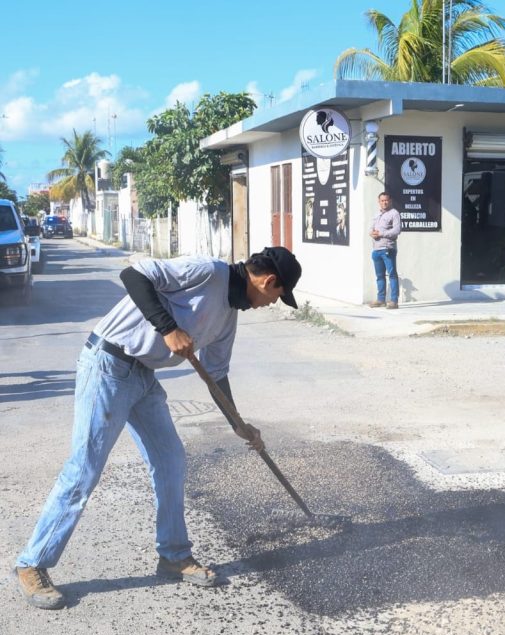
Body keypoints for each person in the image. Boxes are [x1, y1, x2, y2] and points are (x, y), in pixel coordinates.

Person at [12, 247, 302, 610]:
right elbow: (134, 276)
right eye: (277, 296)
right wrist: (169, 328)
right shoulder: (207, 271)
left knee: (170, 460)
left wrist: (238, 424)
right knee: (84, 469)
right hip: (108, 365)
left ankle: (173, 555)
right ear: (268, 281)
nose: (271, 303)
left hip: (142, 376)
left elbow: (216, 375)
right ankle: (32, 562)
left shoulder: (228, 319)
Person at [369, 192, 402, 309]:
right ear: (379, 202)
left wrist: (381, 234)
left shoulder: (394, 213)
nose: (384, 202)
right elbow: (371, 229)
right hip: (376, 249)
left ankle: (394, 301)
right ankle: (381, 300)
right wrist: (372, 233)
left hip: (388, 249)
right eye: (382, 200)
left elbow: (397, 230)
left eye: (386, 200)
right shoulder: (377, 214)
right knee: (379, 276)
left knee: (392, 275)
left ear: (390, 201)